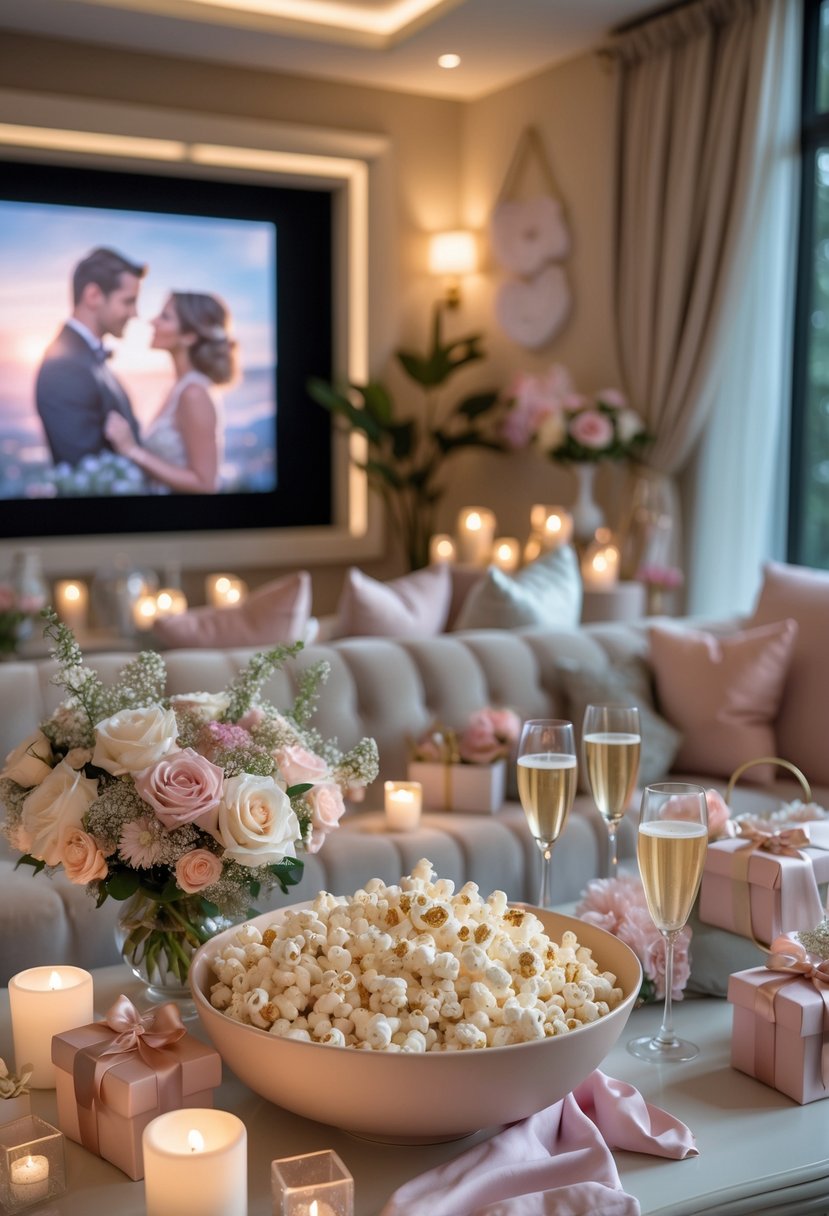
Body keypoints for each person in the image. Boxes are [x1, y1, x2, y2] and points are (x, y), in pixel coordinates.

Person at [105, 291, 236, 494]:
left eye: (165, 317)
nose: (152, 321)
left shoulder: (193, 394)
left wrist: (132, 451)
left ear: (189, 336)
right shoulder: (179, 388)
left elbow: (206, 484)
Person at [35, 247, 146, 467]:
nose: (135, 314)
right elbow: (85, 467)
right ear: (93, 296)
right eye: (128, 301)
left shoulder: (88, 357)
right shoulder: (64, 367)